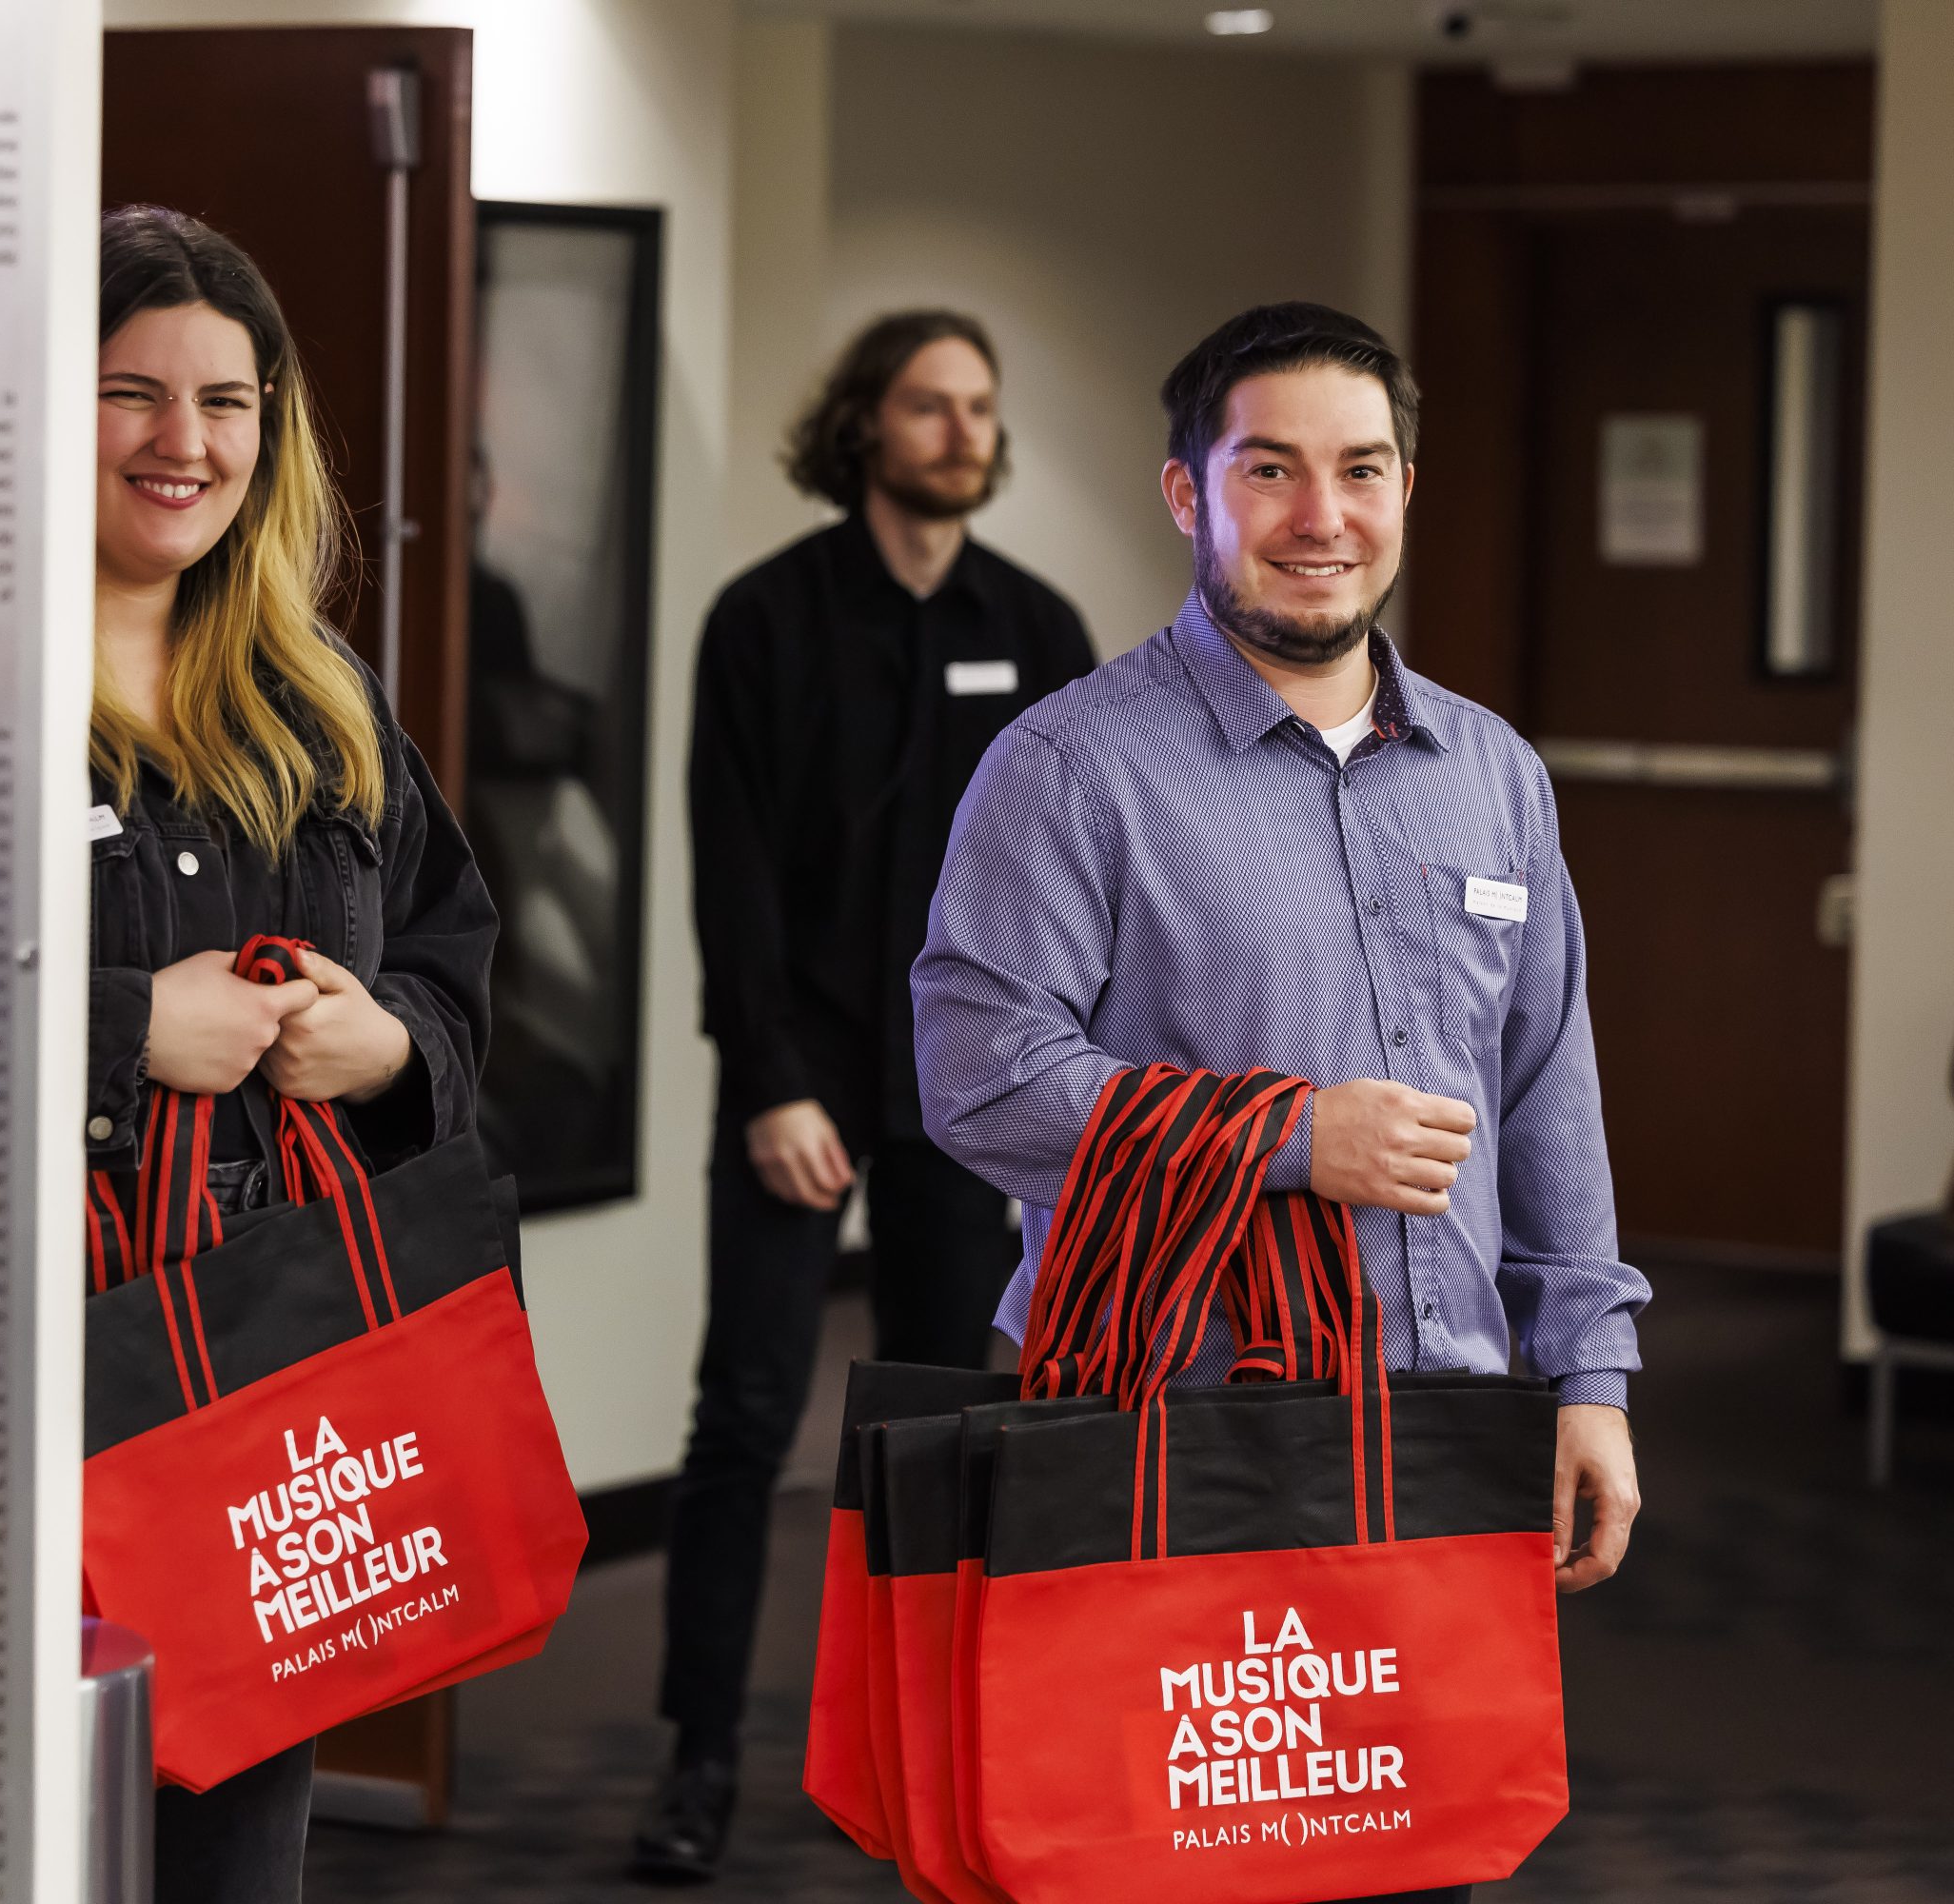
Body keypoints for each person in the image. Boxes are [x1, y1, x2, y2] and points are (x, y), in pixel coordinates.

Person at [913, 303, 1650, 1904]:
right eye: (1271, 470)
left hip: (1437, 1431)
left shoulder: (1493, 773)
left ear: (1406, 490)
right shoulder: (1069, 770)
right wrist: (1295, 1139)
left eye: (1362, 469)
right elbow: (979, 1081)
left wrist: (1589, 1374)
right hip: (1171, 1428)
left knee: (1419, 1872)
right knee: (1169, 1874)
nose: (1324, 516)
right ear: (1189, 492)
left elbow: (1548, 1096)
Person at [636, 311, 1097, 1882]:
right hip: (805, 1075)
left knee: (944, 1427)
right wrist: (769, 1084)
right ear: (864, 428)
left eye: (979, 407)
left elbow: (1077, 888)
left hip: (974, 1095)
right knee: (747, 1414)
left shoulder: (1037, 628)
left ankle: (926, 1762)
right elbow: (734, 875)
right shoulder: (764, 620)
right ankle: (698, 1759)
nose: (961, 431)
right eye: (928, 405)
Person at [84, 205, 496, 1902]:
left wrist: (386, 1047)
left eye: (226, 402)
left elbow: (452, 970)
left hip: (272, 1366)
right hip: (37, 1364)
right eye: (131, 391)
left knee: (236, 1838)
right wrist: (125, 1031)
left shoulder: (318, 700)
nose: (183, 442)